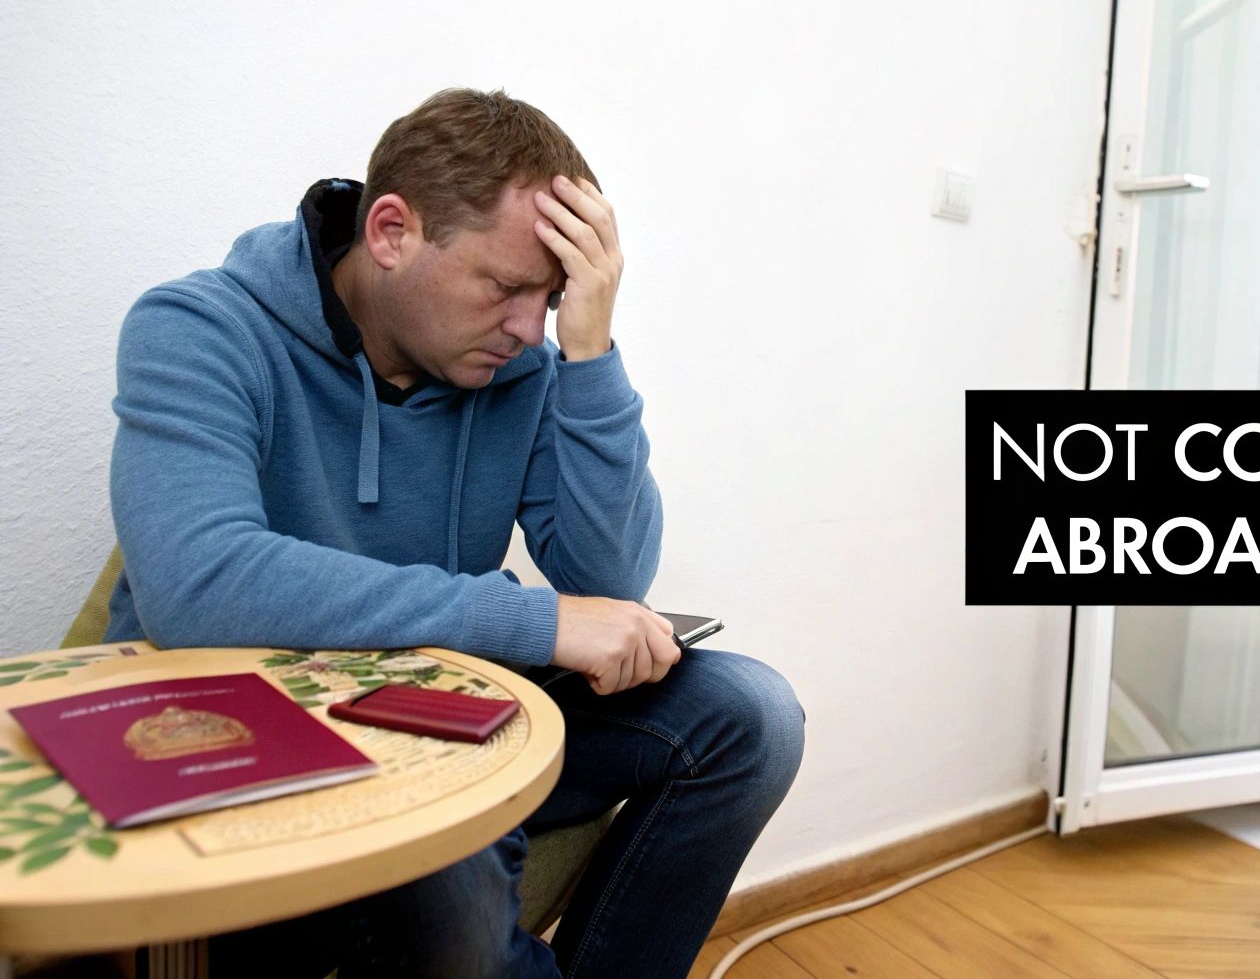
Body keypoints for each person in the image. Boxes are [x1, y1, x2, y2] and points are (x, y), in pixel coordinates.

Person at [105, 88, 804, 977]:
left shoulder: (528, 366)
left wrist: (591, 354)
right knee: (451, 822)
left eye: (548, 299)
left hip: (437, 704)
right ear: (392, 232)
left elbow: (612, 575)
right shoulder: (200, 328)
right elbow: (196, 583)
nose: (527, 328)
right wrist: (533, 623)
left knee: (753, 718)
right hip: (258, 726)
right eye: (509, 287)